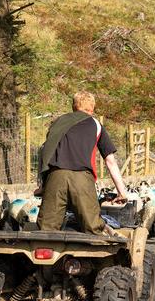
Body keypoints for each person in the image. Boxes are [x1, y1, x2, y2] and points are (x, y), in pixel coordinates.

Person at [36, 91, 128, 235]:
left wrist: (43, 185)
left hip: (55, 177)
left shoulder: (58, 122)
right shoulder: (96, 124)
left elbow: (46, 150)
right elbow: (110, 161)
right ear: (92, 109)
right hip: (82, 179)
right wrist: (121, 192)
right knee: (93, 231)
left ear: (74, 106)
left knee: (46, 232)